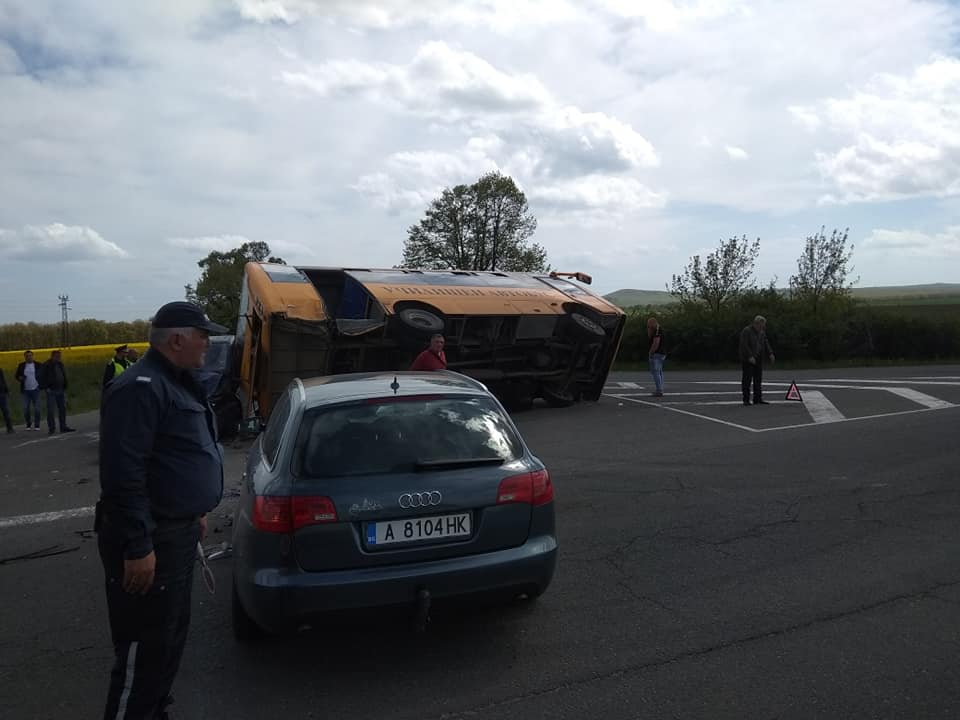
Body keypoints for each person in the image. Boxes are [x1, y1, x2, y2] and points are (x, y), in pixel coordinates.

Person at [95, 301, 227, 719]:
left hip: (177, 531)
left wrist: (196, 510)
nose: (208, 343)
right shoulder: (141, 387)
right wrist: (138, 544)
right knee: (144, 651)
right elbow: (123, 473)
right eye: (203, 336)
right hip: (152, 537)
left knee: (167, 642)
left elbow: (177, 455)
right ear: (177, 340)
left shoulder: (177, 382)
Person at [739, 315, 775, 406]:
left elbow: (766, 343)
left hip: (759, 358)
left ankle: (757, 398)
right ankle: (746, 399)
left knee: (758, 379)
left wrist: (770, 353)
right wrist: (750, 356)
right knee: (747, 379)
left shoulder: (762, 332)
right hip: (748, 359)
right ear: (756, 323)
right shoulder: (747, 331)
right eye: (761, 325)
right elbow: (744, 345)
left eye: (763, 326)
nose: (762, 327)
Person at [42, 350, 76, 434]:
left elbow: (63, 374)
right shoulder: (47, 365)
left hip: (60, 389)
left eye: (59, 356)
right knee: (51, 410)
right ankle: (52, 428)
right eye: (57, 356)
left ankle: (63, 426)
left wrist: (65, 385)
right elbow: (40, 376)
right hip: (51, 390)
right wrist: (46, 387)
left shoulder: (60, 364)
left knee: (62, 409)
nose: (59, 358)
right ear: (52, 356)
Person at [14, 350, 42, 430]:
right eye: (26, 356)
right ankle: (28, 423)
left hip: (36, 389)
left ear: (33, 356)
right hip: (25, 391)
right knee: (25, 408)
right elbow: (17, 376)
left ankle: (37, 425)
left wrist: (42, 384)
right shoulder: (21, 365)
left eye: (30, 356)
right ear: (24, 357)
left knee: (37, 408)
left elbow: (43, 375)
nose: (28, 357)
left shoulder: (38, 365)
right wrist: (20, 378)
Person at [646, 317, 666, 397]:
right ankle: (660, 388)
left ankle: (659, 390)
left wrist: (650, 352)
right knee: (659, 371)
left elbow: (655, 343)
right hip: (662, 353)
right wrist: (649, 330)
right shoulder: (659, 330)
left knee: (655, 372)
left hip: (657, 353)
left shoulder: (657, 331)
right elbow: (649, 337)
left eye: (648, 325)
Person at [0, 367, 13, 433]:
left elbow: (3, 380)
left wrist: (7, 390)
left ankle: (10, 428)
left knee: (6, 411)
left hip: (1, 393)